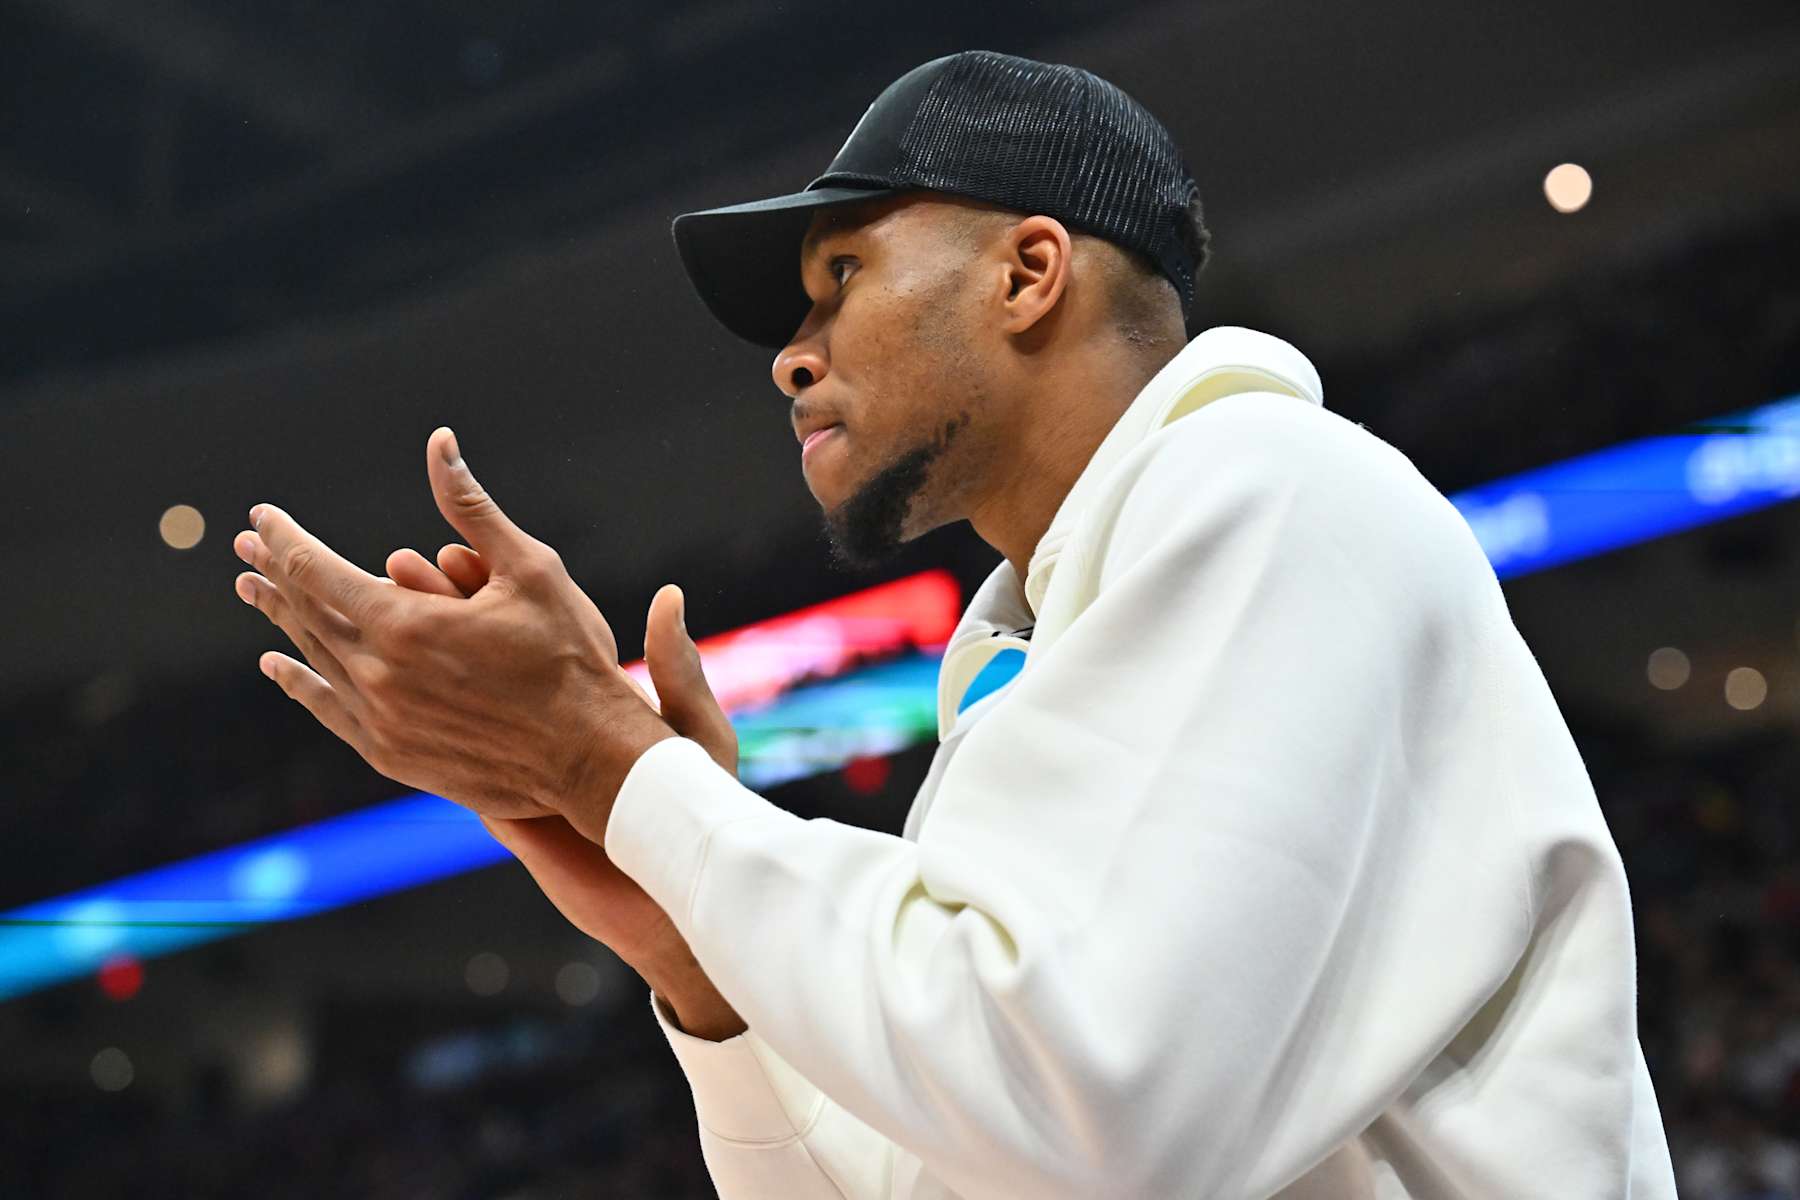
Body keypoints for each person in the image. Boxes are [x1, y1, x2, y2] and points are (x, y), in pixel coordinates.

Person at [234, 50, 1678, 1198]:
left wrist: (616, 766)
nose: (791, 355)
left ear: (1029, 273)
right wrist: (696, 960)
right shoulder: (1017, 659)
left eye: (841, 279)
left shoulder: (1272, 487)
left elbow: (1106, 1112)